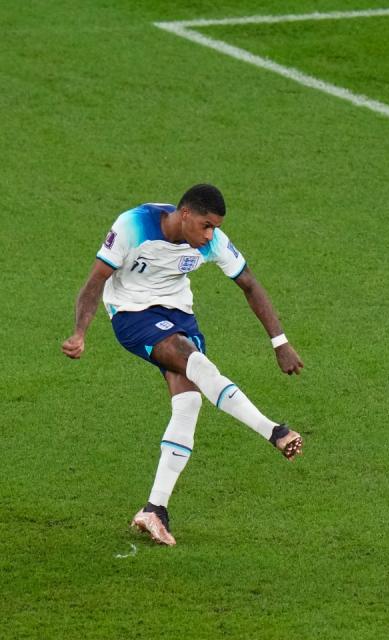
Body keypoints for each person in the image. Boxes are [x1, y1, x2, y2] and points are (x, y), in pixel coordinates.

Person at [61, 184, 304, 546]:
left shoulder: (211, 241)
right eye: (206, 225)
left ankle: (154, 509)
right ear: (185, 214)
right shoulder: (134, 226)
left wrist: (280, 342)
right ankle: (273, 431)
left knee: (189, 403)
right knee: (200, 366)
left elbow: (249, 284)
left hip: (178, 314)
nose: (211, 235)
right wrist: (80, 332)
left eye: (215, 227)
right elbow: (96, 280)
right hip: (132, 313)